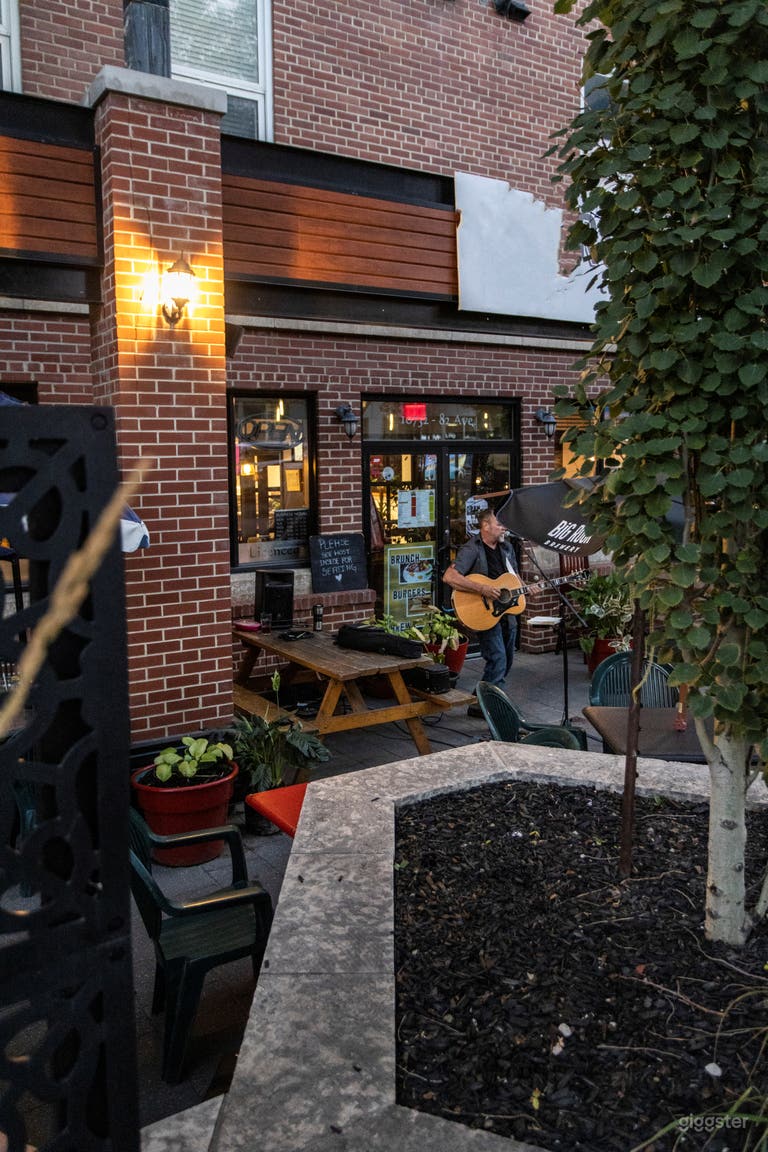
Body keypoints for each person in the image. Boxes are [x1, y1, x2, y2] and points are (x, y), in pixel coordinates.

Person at [442, 508, 519, 712]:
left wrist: (528, 589)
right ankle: (497, 710)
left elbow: (513, 581)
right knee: (498, 659)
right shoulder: (472, 549)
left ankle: (478, 703)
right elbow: (450, 577)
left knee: (507, 659)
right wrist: (482, 588)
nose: (504, 528)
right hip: (483, 613)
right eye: (499, 524)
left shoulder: (507, 549)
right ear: (485, 525)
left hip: (506, 612)